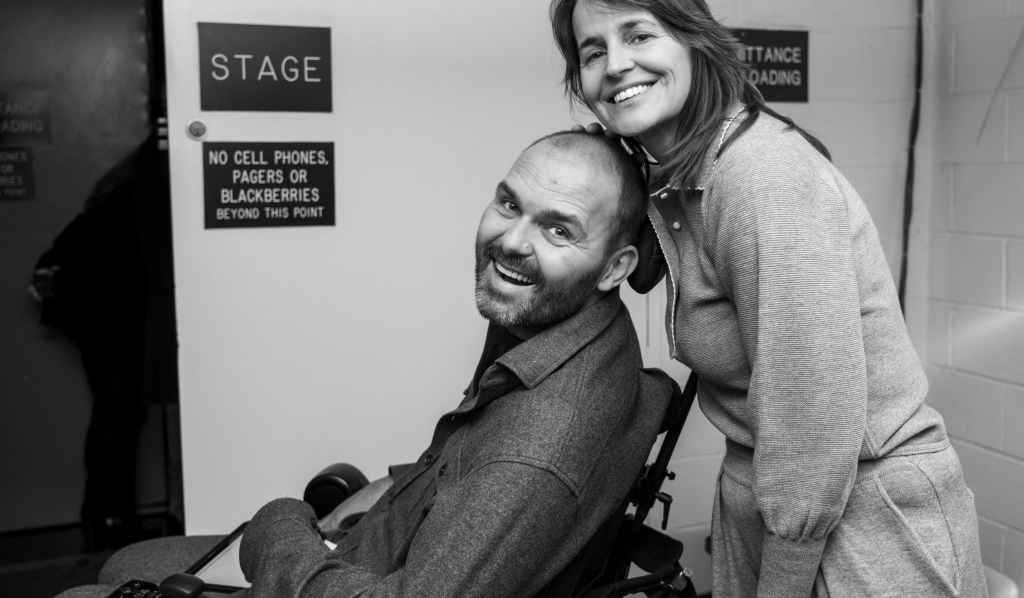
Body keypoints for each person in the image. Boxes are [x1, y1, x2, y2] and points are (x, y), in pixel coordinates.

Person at [56, 130, 674, 598]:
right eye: (509, 205)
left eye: (559, 231)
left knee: (88, 591)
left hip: (362, 577)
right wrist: (378, 500)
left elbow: (503, 480)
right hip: (368, 545)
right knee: (127, 563)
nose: (512, 242)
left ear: (618, 267)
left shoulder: (538, 450)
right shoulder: (575, 330)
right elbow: (462, 469)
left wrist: (279, 528)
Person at [549, 0, 987, 597]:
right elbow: (638, 273)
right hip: (766, 506)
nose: (615, 64)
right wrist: (615, 163)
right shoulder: (681, 177)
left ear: (695, 41)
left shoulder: (758, 175)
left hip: (864, 519)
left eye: (640, 34)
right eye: (592, 52)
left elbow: (812, 434)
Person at [31, 135, 179, 550]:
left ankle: (106, 519)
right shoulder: (146, 184)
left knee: (116, 420)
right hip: (112, 322)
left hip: (105, 319)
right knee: (118, 420)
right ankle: (112, 522)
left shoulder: (128, 181)